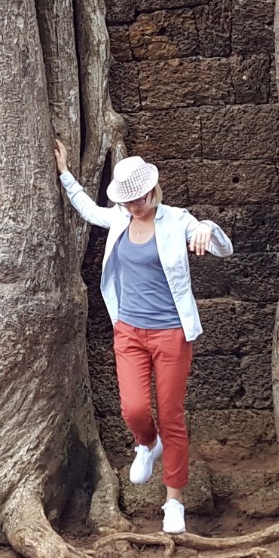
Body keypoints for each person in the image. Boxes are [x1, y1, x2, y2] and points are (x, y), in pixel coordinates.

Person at [54, 139, 232, 534]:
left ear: (153, 189)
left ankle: (173, 501)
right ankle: (147, 444)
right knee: (134, 409)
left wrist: (206, 228)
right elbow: (87, 209)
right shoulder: (120, 220)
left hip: (171, 334)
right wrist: (66, 173)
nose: (135, 205)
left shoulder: (178, 220)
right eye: (128, 199)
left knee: (171, 415)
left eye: (140, 197)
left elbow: (222, 247)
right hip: (129, 331)